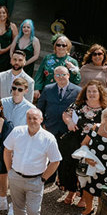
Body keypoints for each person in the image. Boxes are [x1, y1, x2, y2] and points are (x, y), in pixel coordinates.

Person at [3, 108, 61, 215]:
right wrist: (9, 170)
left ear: (41, 120)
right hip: (16, 177)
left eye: (35, 118)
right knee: (18, 207)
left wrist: (43, 178)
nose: (32, 121)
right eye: (29, 118)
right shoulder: (17, 131)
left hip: (35, 180)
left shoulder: (48, 138)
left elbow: (55, 161)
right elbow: (7, 150)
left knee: (34, 211)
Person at [59, 80, 107, 206]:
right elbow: (66, 114)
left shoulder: (105, 109)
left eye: (94, 91)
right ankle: (71, 191)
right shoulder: (79, 104)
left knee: (87, 170)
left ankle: (84, 196)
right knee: (70, 165)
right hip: (75, 140)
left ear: (100, 93)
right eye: (89, 91)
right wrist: (69, 122)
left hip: (93, 144)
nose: (91, 94)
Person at [36, 66, 82, 198]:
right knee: (48, 154)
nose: (60, 78)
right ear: (54, 77)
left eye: (63, 75)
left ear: (68, 75)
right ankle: (48, 178)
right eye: (57, 75)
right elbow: (41, 107)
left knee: (64, 156)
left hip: (67, 130)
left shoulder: (78, 91)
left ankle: (63, 182)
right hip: (50, 127)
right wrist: (42, 123)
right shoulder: (48, 89)